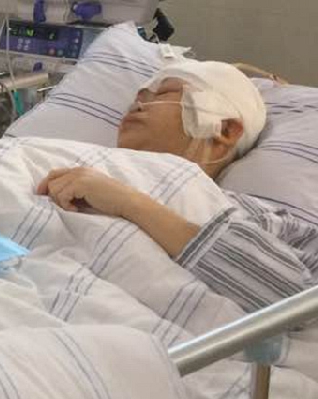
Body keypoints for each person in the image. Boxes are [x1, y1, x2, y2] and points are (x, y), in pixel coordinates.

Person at [37, 60, 316, 311]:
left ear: (225, 130)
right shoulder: (69, 167)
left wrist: (130, 203)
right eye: (138, 98)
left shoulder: (251, 214)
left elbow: (298, 301)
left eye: (163, 94)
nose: (137, 105)